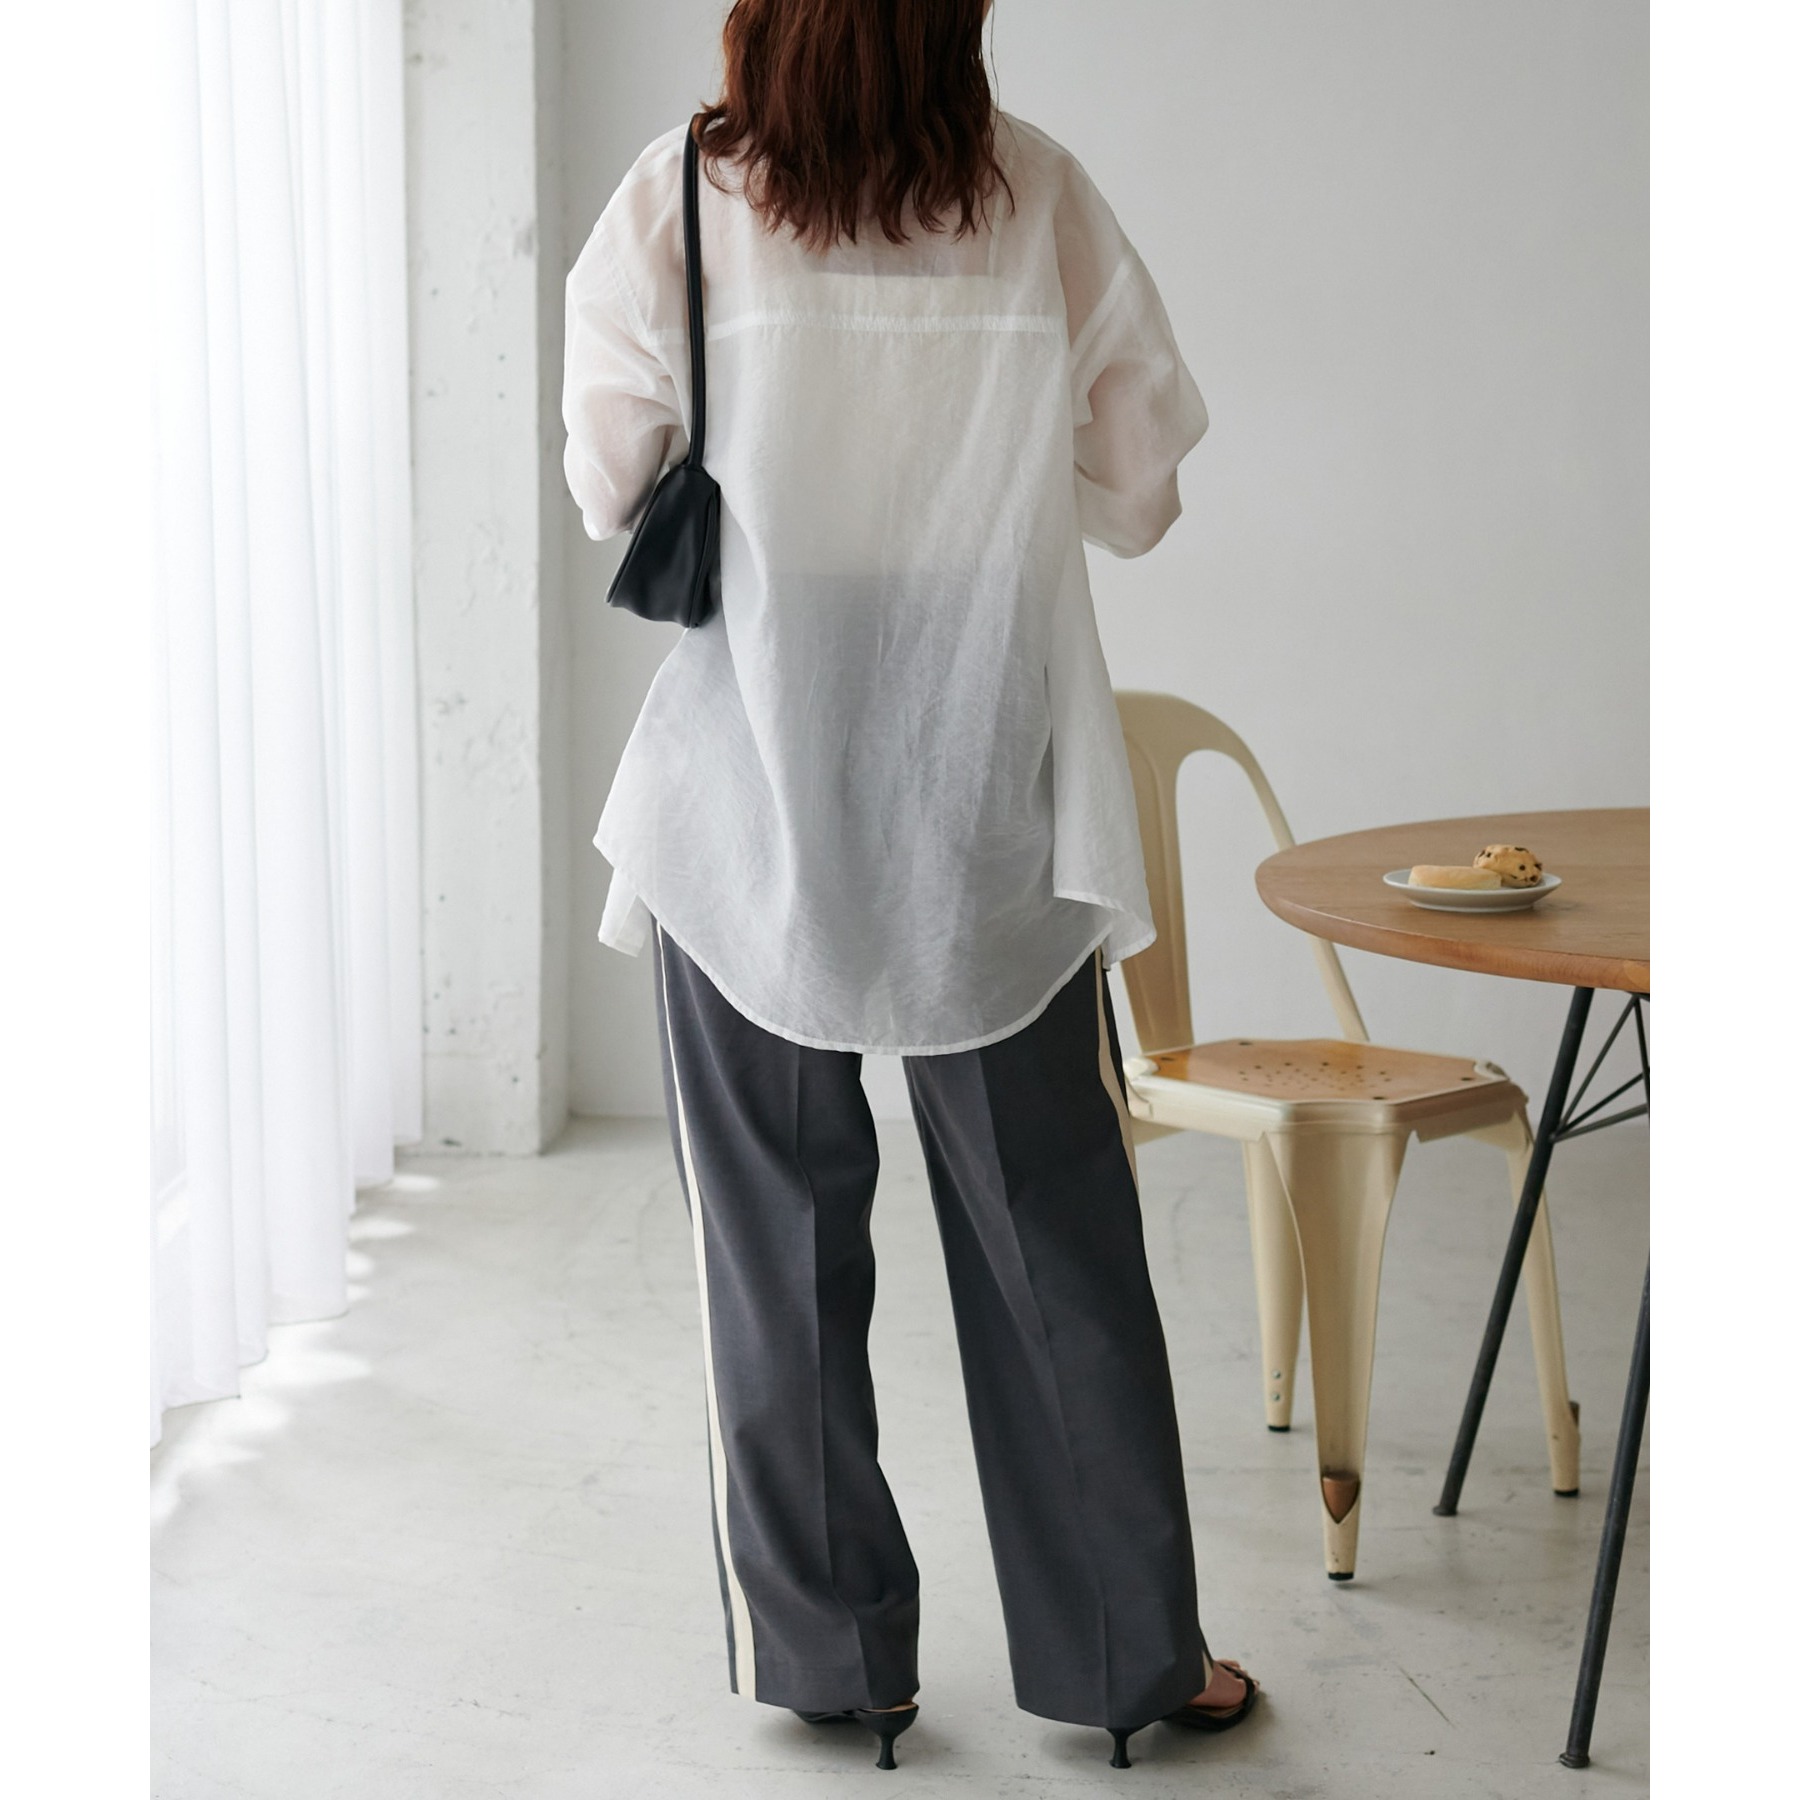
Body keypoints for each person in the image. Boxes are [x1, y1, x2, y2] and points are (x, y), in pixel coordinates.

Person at [562, 0, 1257, 1771]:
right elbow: (1141, 490)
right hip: (980, 775)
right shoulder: (1039, 195)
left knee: (777, 1248)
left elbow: (608, 480)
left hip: (751, 785)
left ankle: (834, 1664)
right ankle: (1128, 1664)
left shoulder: (684, 196)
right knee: (1056, 1235)